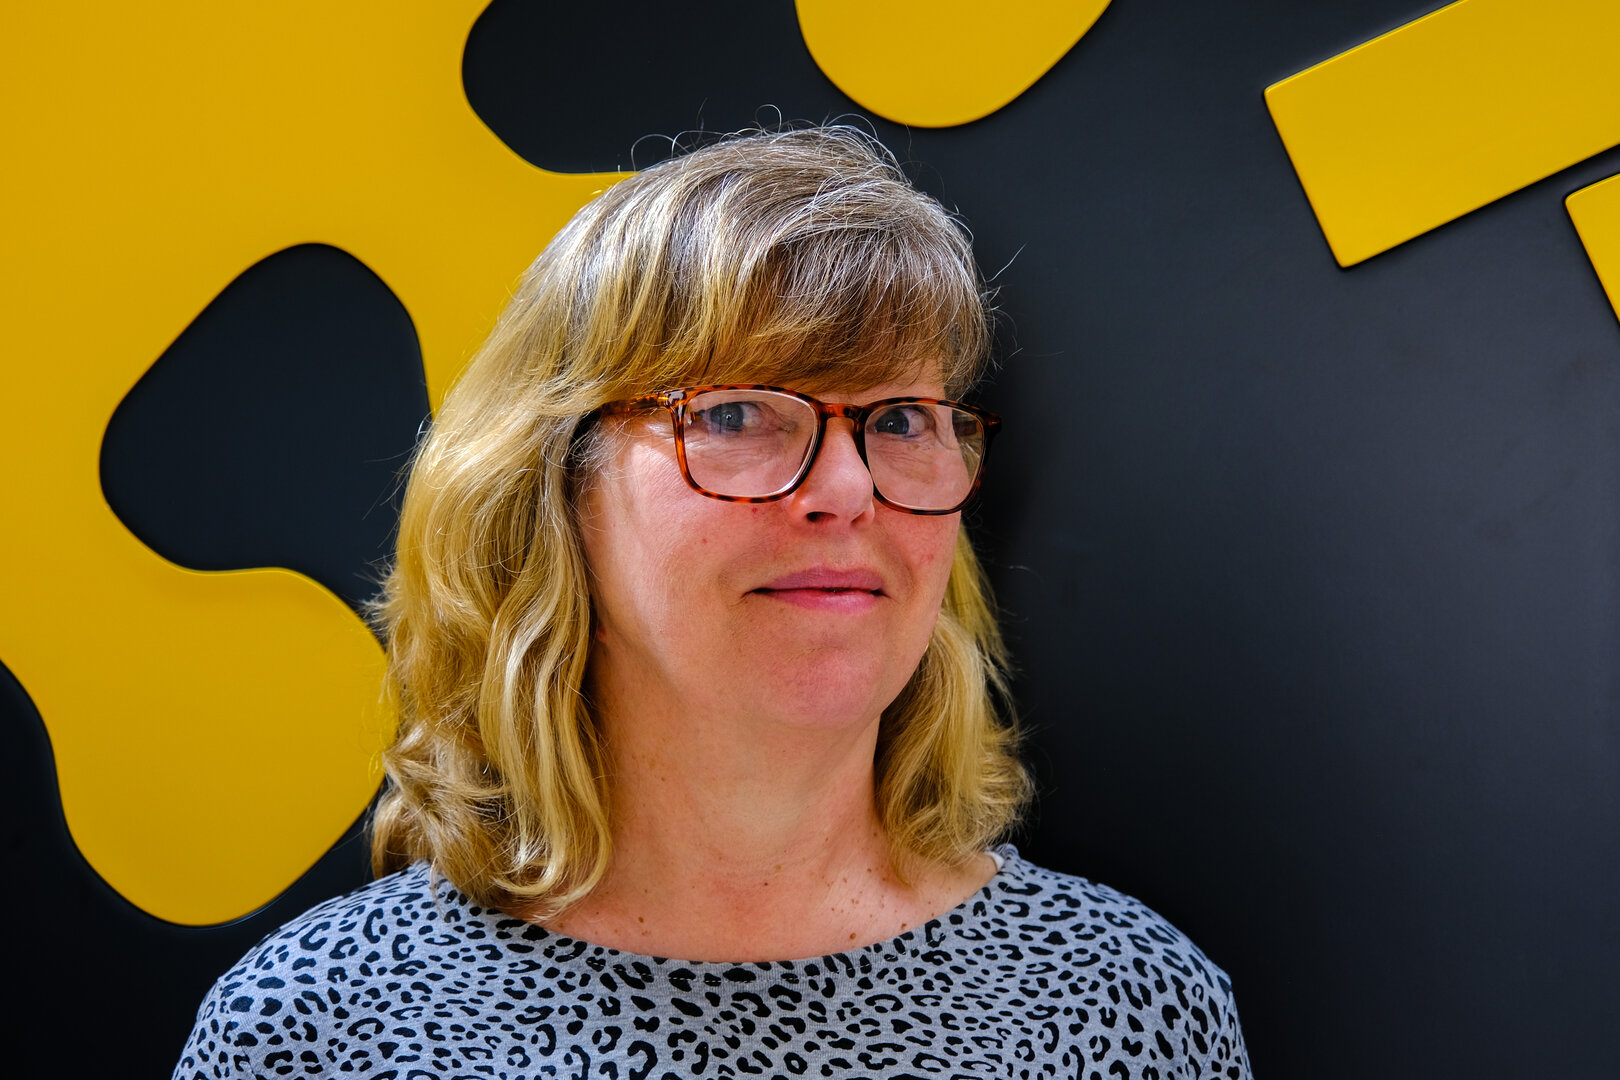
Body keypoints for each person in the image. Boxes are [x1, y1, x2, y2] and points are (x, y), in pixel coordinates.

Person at [175, 126, 1251, 1079]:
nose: (847, 489)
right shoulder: (315, 1031)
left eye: (901, 421)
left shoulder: (1128, 1008)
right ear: (553, 493)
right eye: (738, 415)